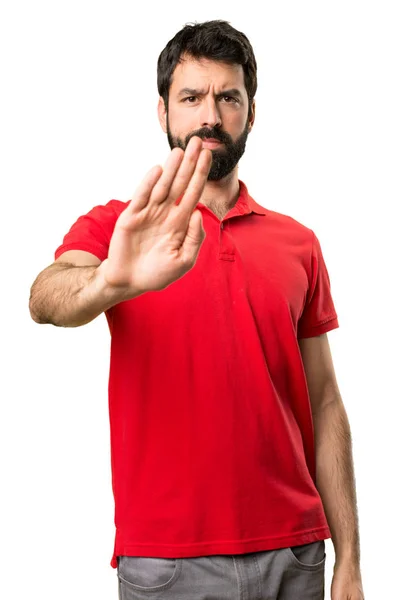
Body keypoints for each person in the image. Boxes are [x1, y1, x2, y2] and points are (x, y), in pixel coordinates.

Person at [29, 19, 365, 600]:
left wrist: (350, 559)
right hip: (166, 563)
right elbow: (46, 298)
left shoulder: (298, 243)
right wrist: (113, 279)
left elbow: (326, 399)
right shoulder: (119, 226)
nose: (210, 114)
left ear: (249, 114)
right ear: (163, 113)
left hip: (295, 553)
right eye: (190, 97)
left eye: (227, 97)